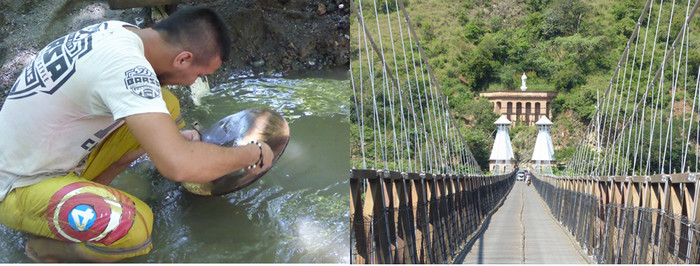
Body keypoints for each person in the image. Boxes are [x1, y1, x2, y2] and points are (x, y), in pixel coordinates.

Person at [0, 7, 273, 262]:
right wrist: (252, 153)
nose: (193, 82)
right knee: (133, 227)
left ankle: (86, 196)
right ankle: (45, 249)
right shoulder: (127, 68)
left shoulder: (122, 32)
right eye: (198, 74)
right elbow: (179, 166)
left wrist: (176, 142)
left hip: (42, 153)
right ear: (183, 58)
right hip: (18, 185)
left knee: (166, 105)